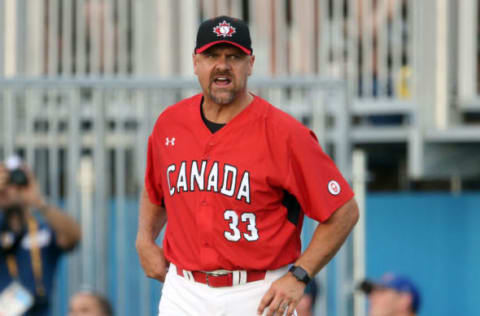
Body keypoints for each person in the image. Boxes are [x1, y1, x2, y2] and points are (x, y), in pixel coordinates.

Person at [136, 15, 359, 316]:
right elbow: (156, 189)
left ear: (251, 64)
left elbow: (343, 210)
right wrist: (145, 237)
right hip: (184, 291)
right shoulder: (170, 124)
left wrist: (299, 276)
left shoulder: (285, 134)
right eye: (212, 55)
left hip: (257, 292)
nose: (223, 65)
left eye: (234, 57)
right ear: (195, 62)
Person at [0, 156, 81, 316]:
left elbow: (72, 237)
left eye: (15, 182)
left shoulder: (43, 230)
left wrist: (38, 201)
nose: (9, 189)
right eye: (5, 183)